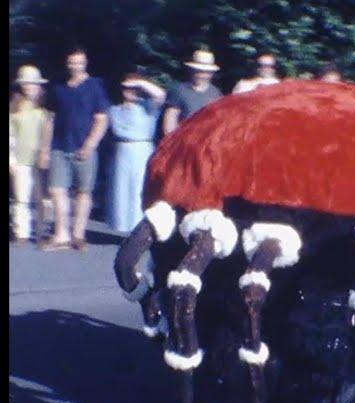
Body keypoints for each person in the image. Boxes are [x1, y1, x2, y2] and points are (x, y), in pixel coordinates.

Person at [39, 46, 110, 251]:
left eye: (79, 62)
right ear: (67, 63)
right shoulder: (59, 87)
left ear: (85, 62)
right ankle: (61, 234)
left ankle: (78, 235)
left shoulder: (95, 86)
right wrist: (45, 149)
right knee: (56, 189)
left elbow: (101, 119)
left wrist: (90, 144)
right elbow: (50, 119)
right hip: (60, 146)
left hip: (85, 147)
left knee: (83, 192)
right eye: (72, 62)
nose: (75, 66)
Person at [108, 74, 166, 233]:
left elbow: (160, 94)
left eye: (133, 88)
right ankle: (123, 230)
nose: (129, 91)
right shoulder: (114, 109)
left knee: (139, 189)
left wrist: (140, 82)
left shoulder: (148, 106)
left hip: (142, 150)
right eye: (126, 87)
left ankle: (141, 230)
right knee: (121, 191)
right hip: (121, 150)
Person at [9, 65, 49, 245]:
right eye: (25, 84)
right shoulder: (15, 106)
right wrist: (11, 159)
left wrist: (45, 153)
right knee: (21, 198)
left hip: (40, 158)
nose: (29, 87)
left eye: (32, 84)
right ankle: (21, 232)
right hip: (20, 158)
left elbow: (49, 131)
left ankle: (41, 232)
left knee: (41, 198)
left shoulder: (44, 106)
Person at [162, 49, 223, 135]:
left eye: (206, 72)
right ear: (191, 70)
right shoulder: (179, 91)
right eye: (198, 71)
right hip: (184, 141)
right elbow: (170, 122)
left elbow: (219, 122)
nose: (202, 75)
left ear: (211, 73)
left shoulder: (216, 93)